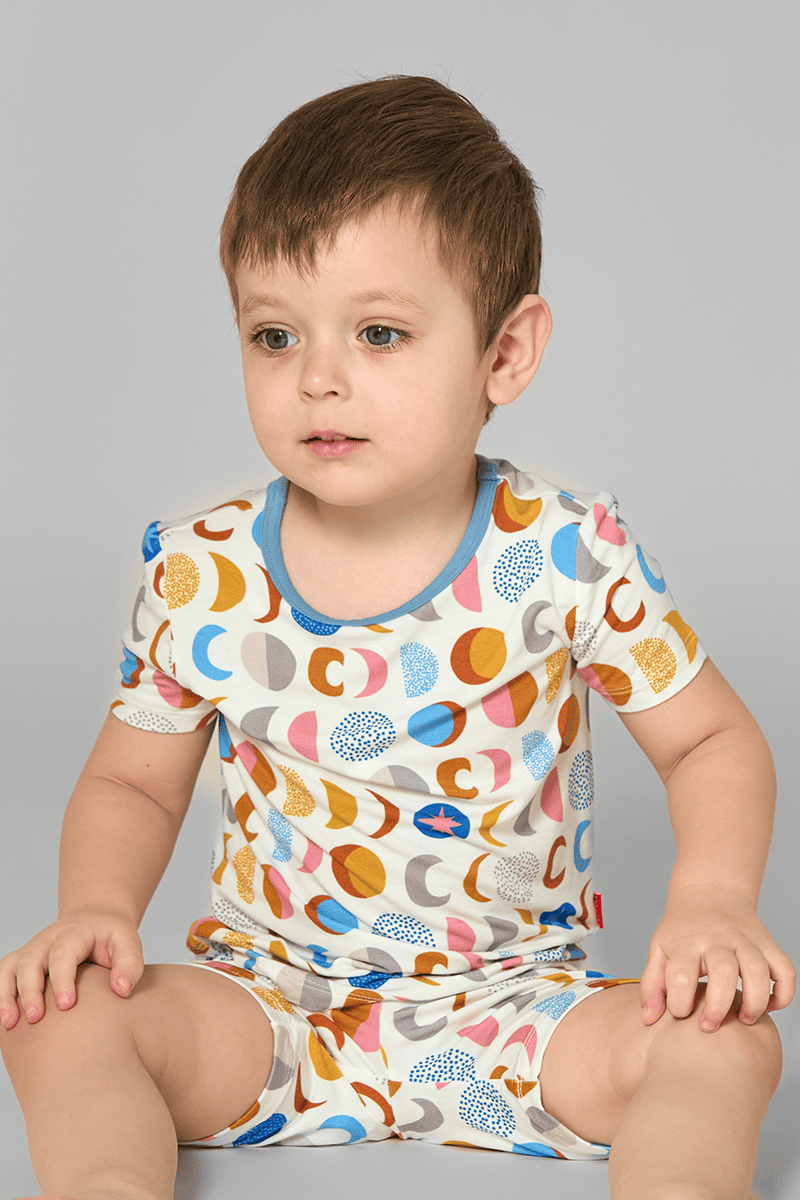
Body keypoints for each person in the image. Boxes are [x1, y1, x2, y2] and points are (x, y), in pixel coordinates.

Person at [0, 75, 794, 1200]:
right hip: (269, 1011)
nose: (317, 378)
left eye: (379, 333)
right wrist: (95, 911)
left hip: (519, 1011)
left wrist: (711, 898)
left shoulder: (566, 555)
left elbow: (710, 740)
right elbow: (131, 781)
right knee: (58, 1014)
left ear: (503, 355)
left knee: (726, 1042)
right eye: (274, 335)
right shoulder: (200, 574)